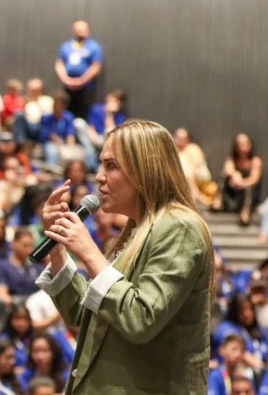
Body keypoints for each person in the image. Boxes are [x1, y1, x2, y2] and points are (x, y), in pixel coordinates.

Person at [36, 119, 213, 394]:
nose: (99, 177)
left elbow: (140, 319)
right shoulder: (137, 230)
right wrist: (58, 249)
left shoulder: (179, 227)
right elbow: (86, 317)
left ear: (145, 169)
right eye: (101, 164)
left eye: (112, 165)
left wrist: (90, 252)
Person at [54, 20, 103, 119]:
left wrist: (81, 81)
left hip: (85, 88)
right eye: (78, 30)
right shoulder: (66, 46)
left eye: (82, 30)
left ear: (88, 31)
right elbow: (59, 64)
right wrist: (66, 79)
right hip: (67, 86)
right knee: (66, 112)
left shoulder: (94, 47)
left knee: (82, 114)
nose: (80, 32)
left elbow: (96, 66)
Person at [213, 133, 263, 226]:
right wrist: (235, 175)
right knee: (223, 177)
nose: (242, 147)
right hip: (234, 191)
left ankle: (245, 213)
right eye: (240, 144)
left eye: (245, 144)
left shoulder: (255, 160)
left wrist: (242, 183)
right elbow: (228, 170)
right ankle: (217, 202)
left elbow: (254, 179)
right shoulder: (232, 159)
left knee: (250, 188)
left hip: (248, 193)